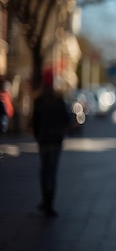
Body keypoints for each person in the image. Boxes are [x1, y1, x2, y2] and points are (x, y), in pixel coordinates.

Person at [31, 70, 71, 217]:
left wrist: (38, 135)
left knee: (44, 170)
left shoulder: (39, 100)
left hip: (44, 140)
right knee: (52, 171)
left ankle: (45, 201)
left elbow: (35, 121)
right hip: (55, 140)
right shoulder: (59, 100)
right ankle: (50, 203)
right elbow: (66, 119)